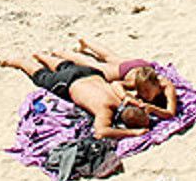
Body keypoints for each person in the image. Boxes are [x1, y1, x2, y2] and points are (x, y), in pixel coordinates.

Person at [0, 53, 152, 140]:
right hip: (69, 83)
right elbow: (101, 132)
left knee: (66, 66)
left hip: (91, 74)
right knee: (42, 77)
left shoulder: (121, 96)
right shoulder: (106, 111)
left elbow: (119, 85)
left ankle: (42, 55)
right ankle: (19, 61)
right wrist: (133, 133)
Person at [47, 38, 180, 121]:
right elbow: (116, 84)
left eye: (146, 90)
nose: (144, 94)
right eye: (142, 91)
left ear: (156, 84)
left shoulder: (167, 86)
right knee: (94, 66)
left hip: (138, 65)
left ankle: (86, 42)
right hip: (126, 70)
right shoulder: (137, 82)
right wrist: (125, 96)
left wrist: (154, 109)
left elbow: (170, 113)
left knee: (111, 57)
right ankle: (61, 53)